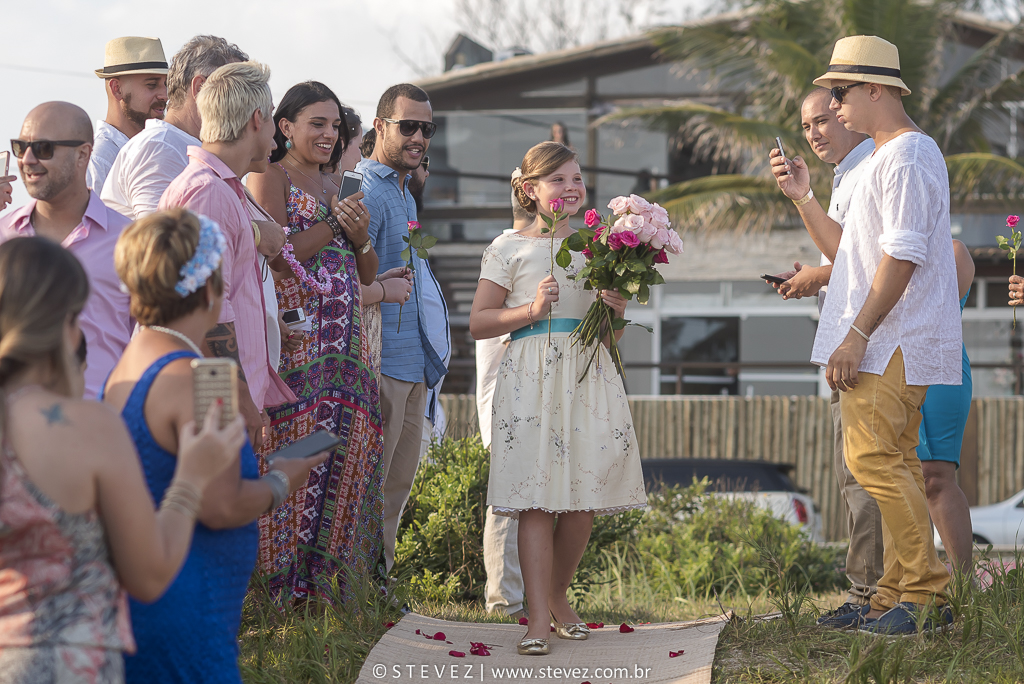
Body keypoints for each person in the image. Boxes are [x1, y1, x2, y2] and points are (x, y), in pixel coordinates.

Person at [772, 35, 961, 635]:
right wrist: (803, 197)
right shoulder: (886, 157)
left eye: (840, 91)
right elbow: (852, 254)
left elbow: (901, 257)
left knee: (874, 460)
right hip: (888, 338)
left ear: (875, 89)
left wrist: (854, 335)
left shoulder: (906, 156)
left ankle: (926, 594)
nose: (833, 104)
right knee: (895, 462)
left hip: (890, 340)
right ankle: (892, 594)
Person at [0, 235, 244, 684]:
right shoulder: (88, 428)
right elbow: (149, 575)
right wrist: (191, 478)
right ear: (64, 324)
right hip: (69, 664)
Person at [102, 208, 325, 684]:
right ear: (209, 289)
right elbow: (220, 504)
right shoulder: (199, 378)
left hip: (142, 596)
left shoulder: (129, 362)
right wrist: (283, 478)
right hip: (188, 603)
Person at [469, 141, 647, 655]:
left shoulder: (600, 247)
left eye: (577, 178)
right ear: (530, 189)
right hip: (530, 377)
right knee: (535, 499)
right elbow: (479, 322)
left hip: (588, 375)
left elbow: (609, 338)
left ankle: (556, 596)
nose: (571, 188)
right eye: (558, 179)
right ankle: (535, 621)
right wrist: (530, 310)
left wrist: (615, 311)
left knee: (583, 500)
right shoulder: (506, 248)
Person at [247, 81, 405, 602]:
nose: (329, 134)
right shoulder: (269, 175)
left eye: (335, 126)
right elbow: (280, 256)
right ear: (285, 126)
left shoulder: (338, 182)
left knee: (343, 459)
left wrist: (359, 238)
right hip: (299, 347)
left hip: (347, 350)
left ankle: (331, 592)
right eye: (317, 124)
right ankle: (279, 594)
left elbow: (366, 270)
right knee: (294, 456)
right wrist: (336, 223)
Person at [767, 88, 883, 628]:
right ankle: (872, 593)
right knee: (855, 476)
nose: (815, 132)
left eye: (824, 119)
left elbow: (872, 261)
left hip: (868, 347)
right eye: (806, 125)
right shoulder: (843, 176)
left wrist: (819, 272)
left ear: (850, 113)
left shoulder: (874, 167)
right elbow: (848, 259)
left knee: (867, 477)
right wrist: (815, 277)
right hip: (847, 346)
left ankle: (873, 596)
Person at [159, 61, 294, 453]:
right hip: (216, 406)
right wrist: (236, 399)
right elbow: (206, 310)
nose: (274, 137)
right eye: (272, 119)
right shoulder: (209, 193)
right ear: (257, 120)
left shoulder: (222, 189)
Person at [357, 83, 447, 571]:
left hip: (413, 365)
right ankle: (356, 594)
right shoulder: (366, 189)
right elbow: (350, 280)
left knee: (395, 493)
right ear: (379, 126)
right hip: (383, 365)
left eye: (426, 129)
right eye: (408, 126)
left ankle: (380, 591)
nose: (419, 137)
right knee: (370, 491)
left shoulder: (402, 189)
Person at [0, 102, 133, 399]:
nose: (27, 159)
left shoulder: (129, 241)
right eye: (21, 147)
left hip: (100, 419)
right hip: (13, 420)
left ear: (83, 154)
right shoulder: (3, 236)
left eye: (43, 148)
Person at [102, 35, 247, 219]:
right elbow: (159, 234)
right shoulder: (159, 147)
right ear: (200, 87)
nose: (246, 105)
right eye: (236, 91)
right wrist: (256, 231)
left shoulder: (169, 144)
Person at [481, 178, 534, 619]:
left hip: (543, 394)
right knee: (508, 501)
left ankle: (535, 597)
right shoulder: (506, 252)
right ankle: (504, 601)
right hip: (509, 393)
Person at [918, 239, 975, 575]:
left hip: (939, 365)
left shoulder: (954, 251)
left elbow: (930, 308)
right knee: (897, 475)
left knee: (934, 476)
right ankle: (913, 581)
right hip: (887, 365)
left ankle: (964, 586)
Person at [408, 159, 452, 451]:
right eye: (421, 161)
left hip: (424, 389)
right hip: (405, 381)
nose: (426, 170)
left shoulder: (411, 226)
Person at [88, 37, 169, 193]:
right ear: (117, 89)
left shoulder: (156, 149)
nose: (164, 95)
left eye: (166, 84)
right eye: (152, 85)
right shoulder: (99, 160)